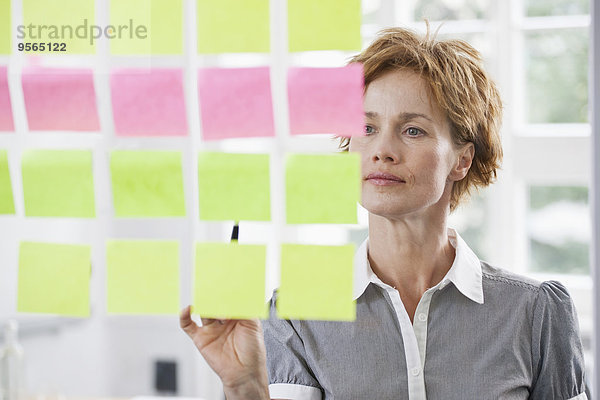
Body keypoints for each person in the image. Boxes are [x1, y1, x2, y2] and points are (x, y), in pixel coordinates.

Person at [180, 26, 589, 400]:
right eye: (367, 128)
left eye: (413, 130)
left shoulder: (535, 314)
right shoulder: (294, 317)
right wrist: (246, 387)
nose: (382, 150)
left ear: (461, 160)